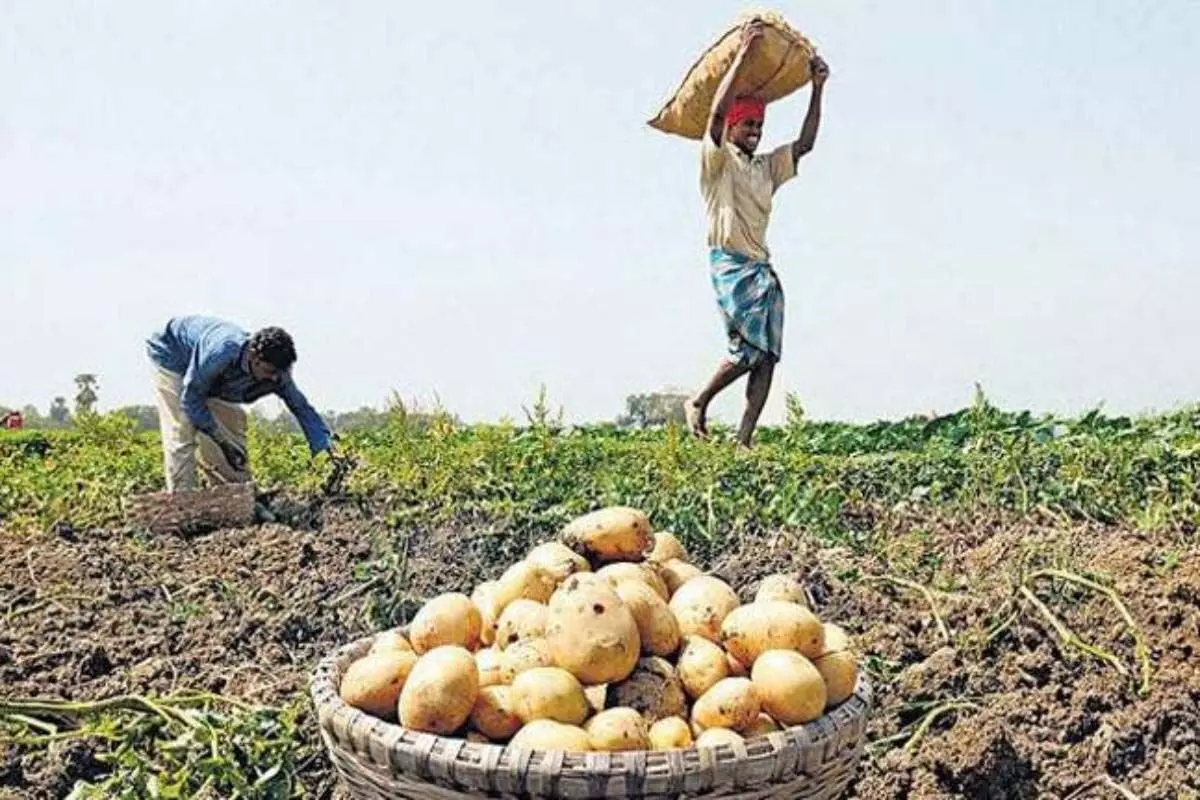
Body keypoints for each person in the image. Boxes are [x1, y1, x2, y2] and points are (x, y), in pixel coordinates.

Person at [685, 20, 830, 448]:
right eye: (747, 127)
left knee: (767, 355)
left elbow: (804, 145)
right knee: (745, 349)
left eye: (758, 129)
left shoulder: (765, 167)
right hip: (730, 264)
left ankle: (743, 440)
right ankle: (699, 401)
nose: (754, 134)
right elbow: (713, 114)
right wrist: (744, 58)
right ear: (732, 129)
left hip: (760, 267)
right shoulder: (718, 162)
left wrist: (817, 89)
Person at [146, 315, 336, 493]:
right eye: (269, 371)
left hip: (210, 376)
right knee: (183, 427)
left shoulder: (278, 374)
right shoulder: (221, 352)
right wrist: (220, 439)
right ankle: (183, 501)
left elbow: (301, 408)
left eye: (279, 372)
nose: (274, 378)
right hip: (173, 354)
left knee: (232, 422)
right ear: (255, 357)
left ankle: (234, 493)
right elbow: (192, 399)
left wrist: (326, 449)